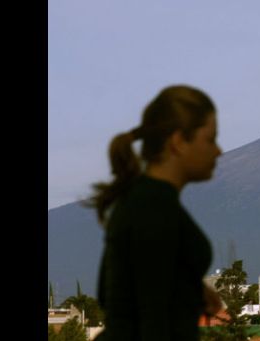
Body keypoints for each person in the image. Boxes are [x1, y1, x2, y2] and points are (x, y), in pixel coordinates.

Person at [87, 84, 224, 340]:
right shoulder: (154, 209)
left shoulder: (140, 200)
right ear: (179, 141)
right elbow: (153, 319)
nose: (219, 151)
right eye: (210, 139)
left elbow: (112, 292)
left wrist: (191, 290)